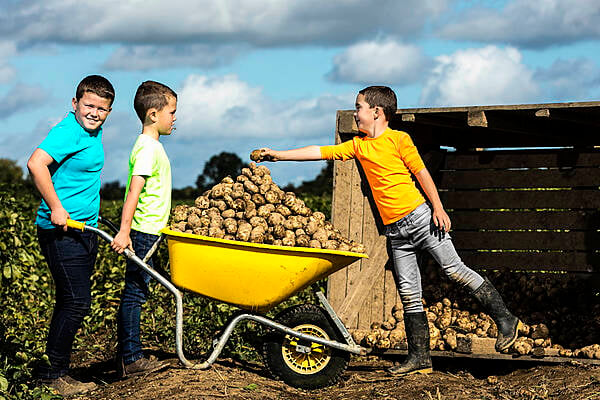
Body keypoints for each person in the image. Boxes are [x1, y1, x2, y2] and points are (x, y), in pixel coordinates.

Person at [254, 85, 522, 376]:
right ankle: (420, 357)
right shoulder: (359, 145)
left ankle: (506, 319)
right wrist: (278, 155)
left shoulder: (399, 140)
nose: (356, 114)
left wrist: (438, 208)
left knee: (453, 269)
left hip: (421, 219)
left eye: (359, 108)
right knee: (408, 291)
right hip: (396, 231)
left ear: (376, 112)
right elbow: (321, 152)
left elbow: (422, 173)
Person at [27, 75, 115, 395]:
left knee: (70, 301)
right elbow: (36, 163)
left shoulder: (91, 132)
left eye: (102, 109)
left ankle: (55, 368)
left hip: (84, 230)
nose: (94, 113)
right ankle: (51, 376)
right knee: (76, 302)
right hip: (60, 231)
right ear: (75, 103)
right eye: (88, 105)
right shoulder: (68, 131)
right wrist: (56, 207)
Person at [110, 81, 176, 378]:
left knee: (136, 292)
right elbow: (133, 192)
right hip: (144, 231)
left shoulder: (151, 146)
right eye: (171, 112)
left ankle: (129, 355)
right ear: (153, 114)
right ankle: (132, 358)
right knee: (134, 294)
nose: (174, 118)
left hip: (151, 229)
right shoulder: (148, 148)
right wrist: (124, 232)